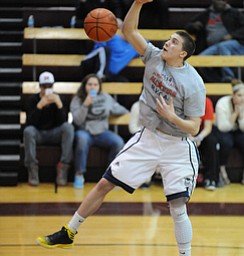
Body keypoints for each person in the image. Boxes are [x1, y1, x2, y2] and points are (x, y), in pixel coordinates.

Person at [36, 1, 206, 256]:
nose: (166, 44)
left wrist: (172, 116)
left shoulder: (193, 83)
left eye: (173, 43)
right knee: (105, 183)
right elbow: (128, 31)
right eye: (168, 39)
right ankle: (68, 232)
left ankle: (186, 254)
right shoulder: (153, 57)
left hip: (178, 146)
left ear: (182, 53)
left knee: (178, 207)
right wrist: (137, 2)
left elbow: (194, 128)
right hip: (148, 138)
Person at [70, 73, 129, 188]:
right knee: (82, 140)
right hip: (84, 131)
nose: (92, 87)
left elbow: (118, 108)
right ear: (84, 86)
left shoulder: (105, 97)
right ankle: (79, 174)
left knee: (118, 142)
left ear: (99, 86)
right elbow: (77, 120)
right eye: (89, 84)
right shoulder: (77, 98)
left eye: (95, 85)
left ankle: (111, 176)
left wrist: (127, 112)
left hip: (102, 132)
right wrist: (85, 104)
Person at [23, 71, 74, 186]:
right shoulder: (32, 100)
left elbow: (63, 121)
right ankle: (32, 169)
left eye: (49, 86)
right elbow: (30, 123)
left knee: (68, 128)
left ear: (53, 86)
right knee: (28, 131)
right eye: (44, 86)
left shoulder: (61, 99)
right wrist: (39, 106)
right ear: (40, 86)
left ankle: (63, 167)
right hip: (38, 133)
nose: (47, 89)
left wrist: (59, 105)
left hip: (54, 133)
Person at [184, 0, 244, 82]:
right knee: (200, 60)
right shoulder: (206, 14)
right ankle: (218, 81)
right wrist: (194, 26)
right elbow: (188, 25)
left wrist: (232, 36)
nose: (222, 2)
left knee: (223, 46)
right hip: (214, 47)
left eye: (224, 1)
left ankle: (229, 77)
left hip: (235, 45)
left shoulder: (234, 13)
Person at [213, 79, 244, 185]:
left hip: (237, 130)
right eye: (239, 95)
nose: (242, 98)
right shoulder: (222, 103)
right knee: (226, 142)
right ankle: (222, 170)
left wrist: (240, 117)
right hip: (222, 130)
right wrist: (235, 114)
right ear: (233, 95)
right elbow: (223, 127)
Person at [190, 97, 220, 191]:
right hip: (185, 131)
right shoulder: (181, 100)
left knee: (212, 141)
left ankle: (211, 179)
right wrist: (188, 137)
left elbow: (208, 127)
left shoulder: (206, 101)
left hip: (202, 132)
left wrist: (199, 138)